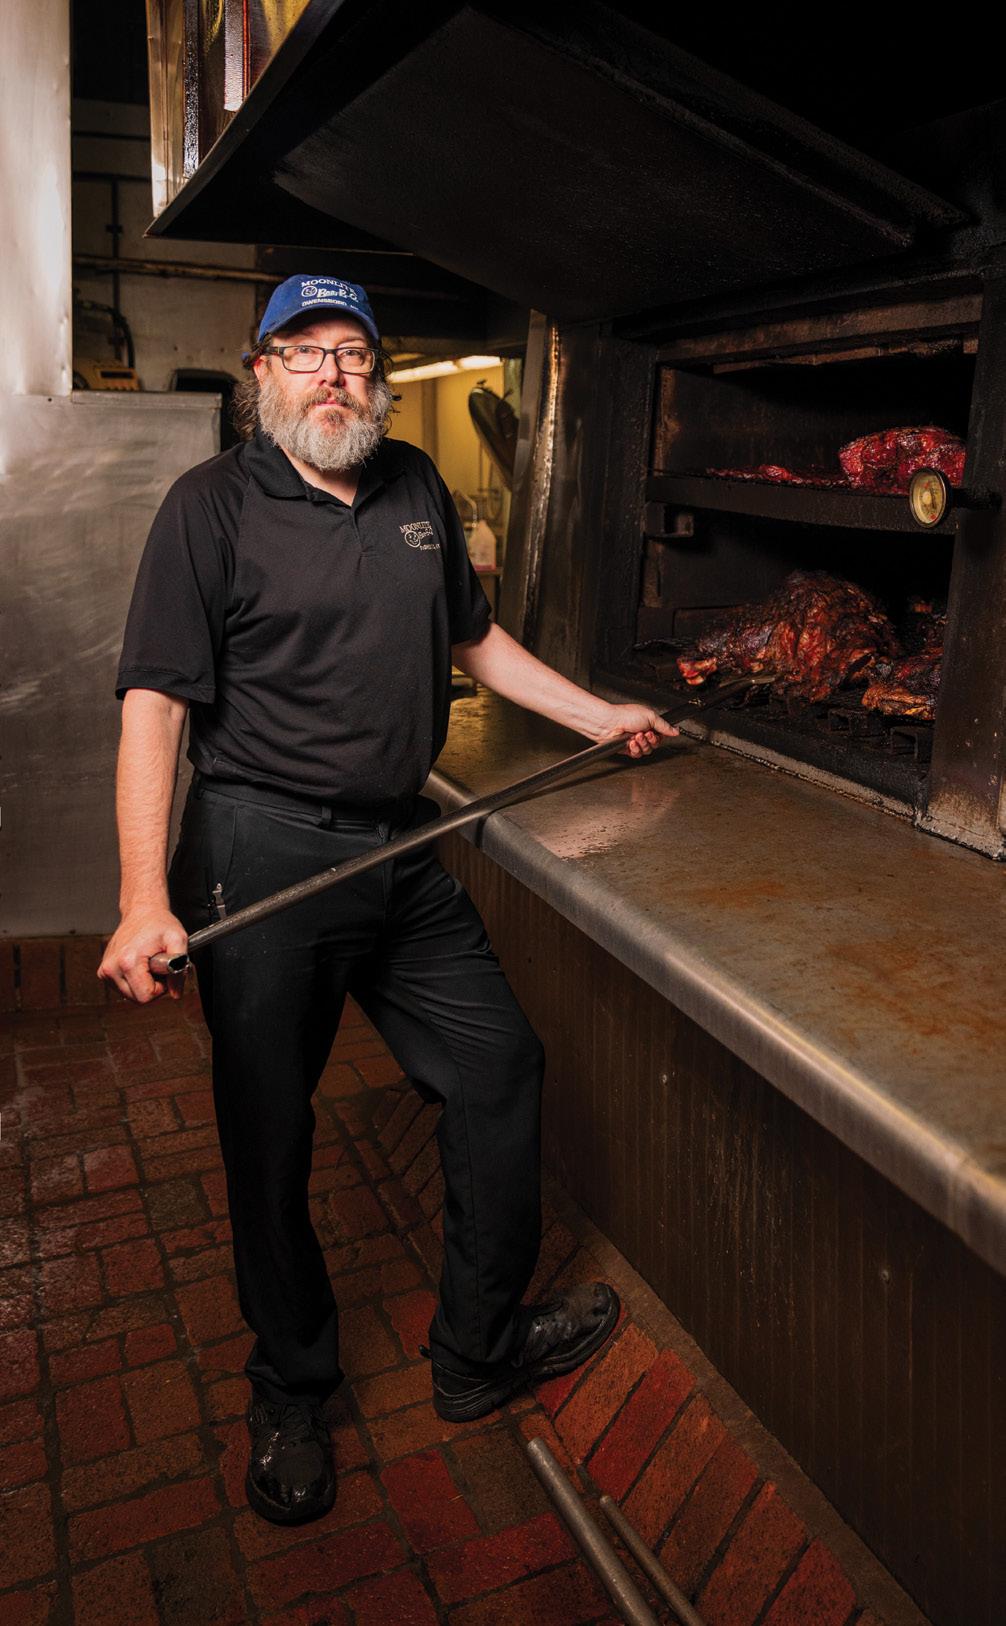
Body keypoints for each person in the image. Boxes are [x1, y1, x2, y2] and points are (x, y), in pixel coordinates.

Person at [98, 274, 677, 1526]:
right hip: (259, 848)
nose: (332, 373)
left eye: (352, 352)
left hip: (400, 845)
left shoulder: (413, 484)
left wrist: (596, 715)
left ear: (379, 374)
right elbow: (155, 704)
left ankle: (477, 1349)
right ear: (262, 374)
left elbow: (475, 639)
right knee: (269, 1131)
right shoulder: (209, 506)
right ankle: (290, 1385)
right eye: (303, 351)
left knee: (498, 1067)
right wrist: (144, 896)